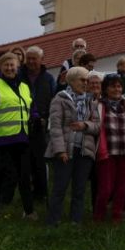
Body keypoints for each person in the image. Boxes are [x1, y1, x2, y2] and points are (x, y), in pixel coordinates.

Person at [0, 51, 37, 220]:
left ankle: (29, 211)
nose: (9, 68)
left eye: (12, 65)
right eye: (6, 65)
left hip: (21, 138)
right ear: (0, 67)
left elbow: (31, 106)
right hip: (0, 139)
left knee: (24, 177)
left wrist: (36, 117)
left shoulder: (25, 87)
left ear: (17, 66)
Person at [44, 67, 98, 227]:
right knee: (60, 187)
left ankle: (76, 221)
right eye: (82, 80)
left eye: (87, 80)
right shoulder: (59, 99)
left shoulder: (91, 101)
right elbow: (55, 127)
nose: (86, 83)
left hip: (84, 150)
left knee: (79, 189)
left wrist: (85, 125)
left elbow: (97, 125)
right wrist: (60, 150)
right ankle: (53, 221)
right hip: (65, 150)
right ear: (71, 81)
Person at [93, 73, 125, 223]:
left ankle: (117, 215)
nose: (117, 89)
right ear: (105, 89)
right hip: (107, 152)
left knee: (122, 187)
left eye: (119, 86)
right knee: (105, 188)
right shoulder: (98, 105)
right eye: (113, 86)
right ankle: (98, 216)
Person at [21, 46, 58, 203]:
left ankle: (40, 193)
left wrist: (47, 118)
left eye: (34, 58)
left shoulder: (48, 78)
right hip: (21, 124)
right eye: (28, 58)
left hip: (41, 124)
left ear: (41, 60)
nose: (30, 61)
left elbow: (54, 99)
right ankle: (25, 192)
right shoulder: (19, 76)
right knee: (24, 160)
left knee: (39, 160)